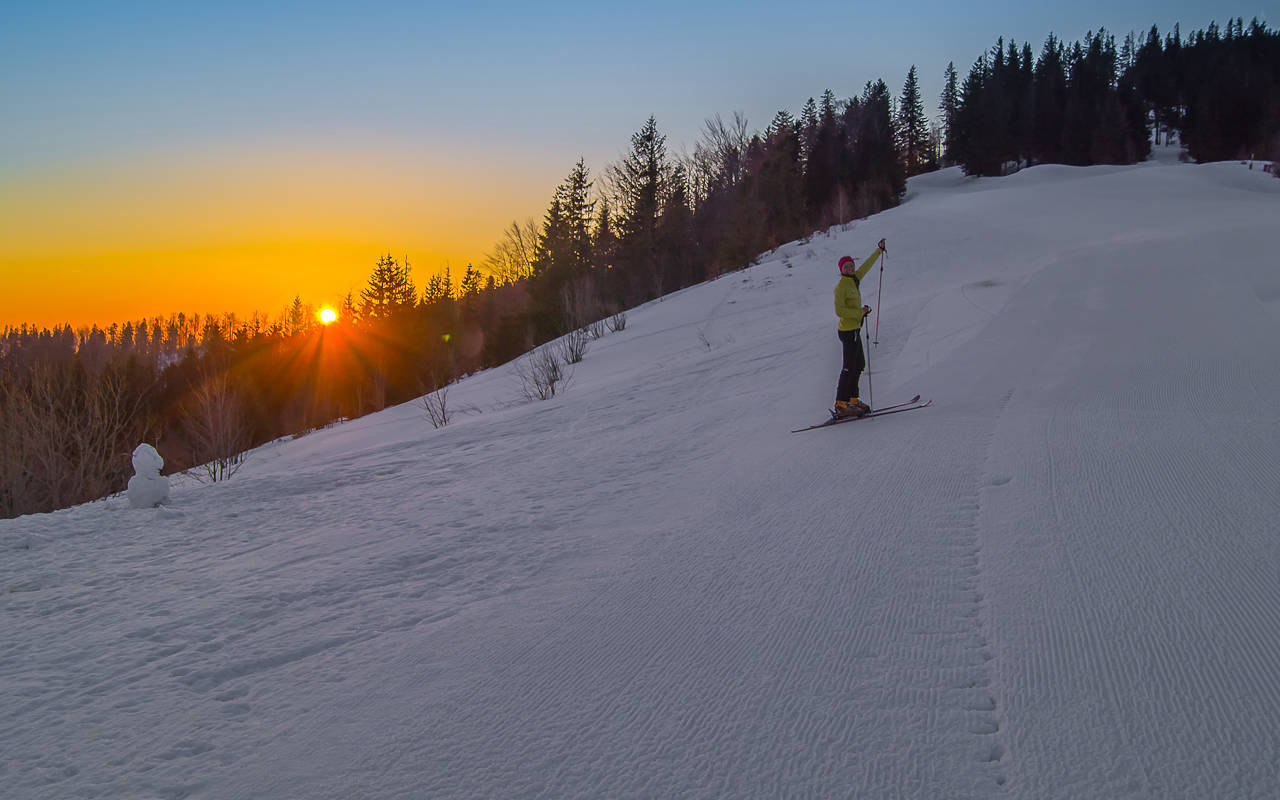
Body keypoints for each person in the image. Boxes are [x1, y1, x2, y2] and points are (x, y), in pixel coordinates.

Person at [832, 238, 886, 418]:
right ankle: (841, 403)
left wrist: (879, 251)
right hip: (847, 332)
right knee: (849, 367)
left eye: (851, 266)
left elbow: (867, 266)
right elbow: (839, 311)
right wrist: (859, 312)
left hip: (855, 330)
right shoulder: (841, 286)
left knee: (859, 364)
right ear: (841, 269)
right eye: (846, 267)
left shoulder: (854, 280)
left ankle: (853, 400)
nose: (850, 269)